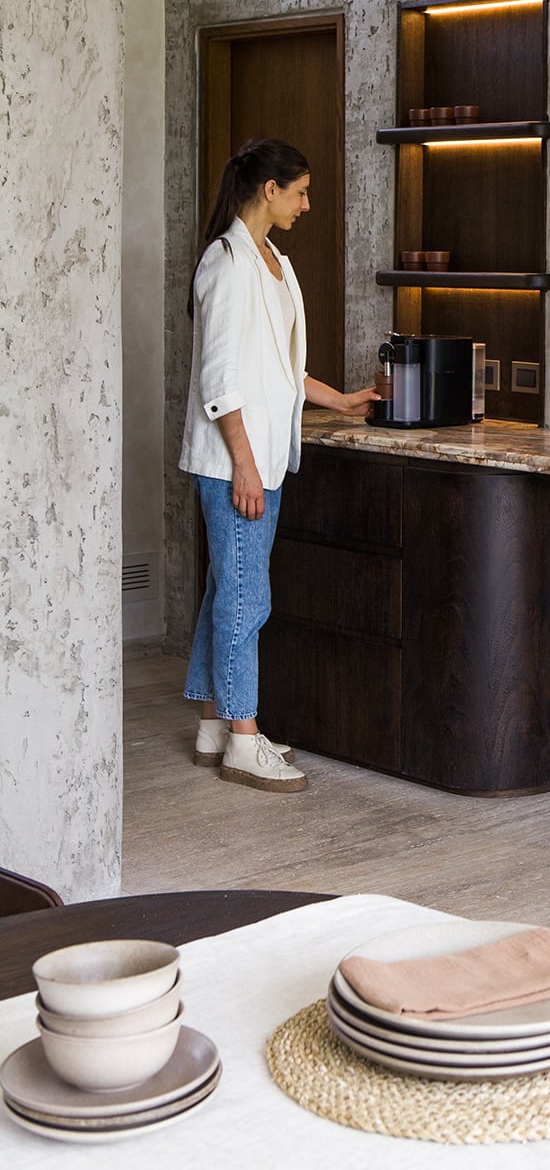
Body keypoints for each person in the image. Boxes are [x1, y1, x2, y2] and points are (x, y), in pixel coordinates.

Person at [180, 138, 376, 793]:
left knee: (226, 591)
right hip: (235, 461)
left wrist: (341, 400)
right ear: (270, 189)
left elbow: (280, 368)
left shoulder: (274, 263)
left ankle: (213, 722)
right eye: (300, 191)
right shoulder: (227, 262)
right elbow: (219, 379)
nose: (307, 203)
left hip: (262, 457)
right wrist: (240, 464)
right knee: (245, 599)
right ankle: (243, 737)